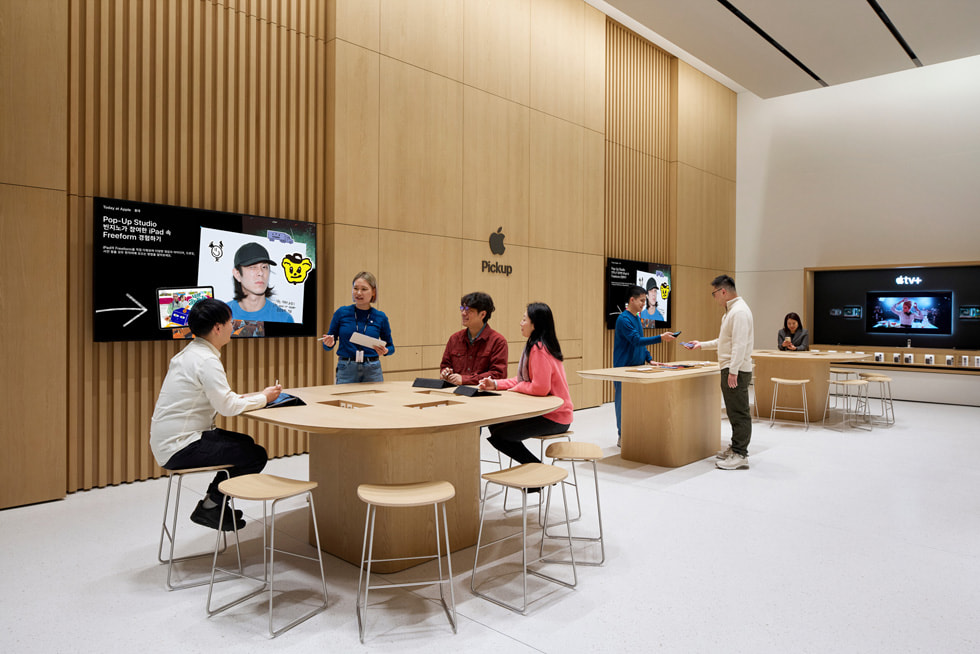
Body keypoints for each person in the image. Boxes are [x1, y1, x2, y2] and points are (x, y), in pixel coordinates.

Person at [150, 298, 281, 530]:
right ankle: (212, 506)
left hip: (172, 440)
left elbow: (220, 398)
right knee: (255, 454)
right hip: (181, 446)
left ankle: (214, 504)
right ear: (217, 328)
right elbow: (227, 407)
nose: (234, 326)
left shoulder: (190, 353)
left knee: (245, 443)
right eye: (231, 322)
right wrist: (265, 398)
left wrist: (254, 397)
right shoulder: (206, 360)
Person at [478, 303, 573, 467]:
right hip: (555, 414)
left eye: (524, 319)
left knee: (500, 436)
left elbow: (539, 388)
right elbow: (525, 381)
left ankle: (539, 473)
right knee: (496, 427)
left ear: (535, 324)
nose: (521, 323)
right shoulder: (541, 344)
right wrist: (495, 384)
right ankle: (536, 471)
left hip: (554, 417)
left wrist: (517, 387)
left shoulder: (539, 349)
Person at [684, 274, 754, 471]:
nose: (714, 298)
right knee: (733, 411)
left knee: (739, 412)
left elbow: (739, 345)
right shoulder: (730, 312)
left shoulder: (739, 312)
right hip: (731, 368)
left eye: (714, 293)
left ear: (723, 291)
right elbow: (724, 341)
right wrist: (700, 345)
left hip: (736, 370)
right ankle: (736, 448)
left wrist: (733, 371)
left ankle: (740, 454)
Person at [614, 285, 676, 446]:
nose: (643, 303)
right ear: (631, 300)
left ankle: (634, 432)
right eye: (641, 300)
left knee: (636, 403)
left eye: (644, 300)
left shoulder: (636, 318)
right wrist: (660, 338)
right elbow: (635, 340)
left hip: (638, 367)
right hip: (624, 369)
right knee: (623, 403)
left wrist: (649, 359)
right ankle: (623, 435)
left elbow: (640, 343)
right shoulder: (623, 319)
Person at [321, 271, 394, 384]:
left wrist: (386, 351)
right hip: (346, 368)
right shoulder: (341, 313)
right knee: (344, 399)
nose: (359, 293)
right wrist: (328, 344)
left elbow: (391, 347)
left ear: (373, 291)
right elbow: (328, 345)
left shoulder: (380, 317)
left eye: (364, 289)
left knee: (374, 401)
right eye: (355, 288)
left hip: (372, 369)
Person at [439, 291, 508, 386]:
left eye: (468, 310)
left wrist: (465, 379)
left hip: (482, 395)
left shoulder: (498, 341)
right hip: (455, 392)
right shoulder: (454, 339)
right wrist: (445, 373)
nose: (463, 313)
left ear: (482, 315)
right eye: (462, 308)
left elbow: (498, 375)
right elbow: (445, 365)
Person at [226, 242, 294, 323]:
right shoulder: (220, 315)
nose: (261, 273)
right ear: (237, 274)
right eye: (253, 267)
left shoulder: (284, 319)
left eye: (264, 267)